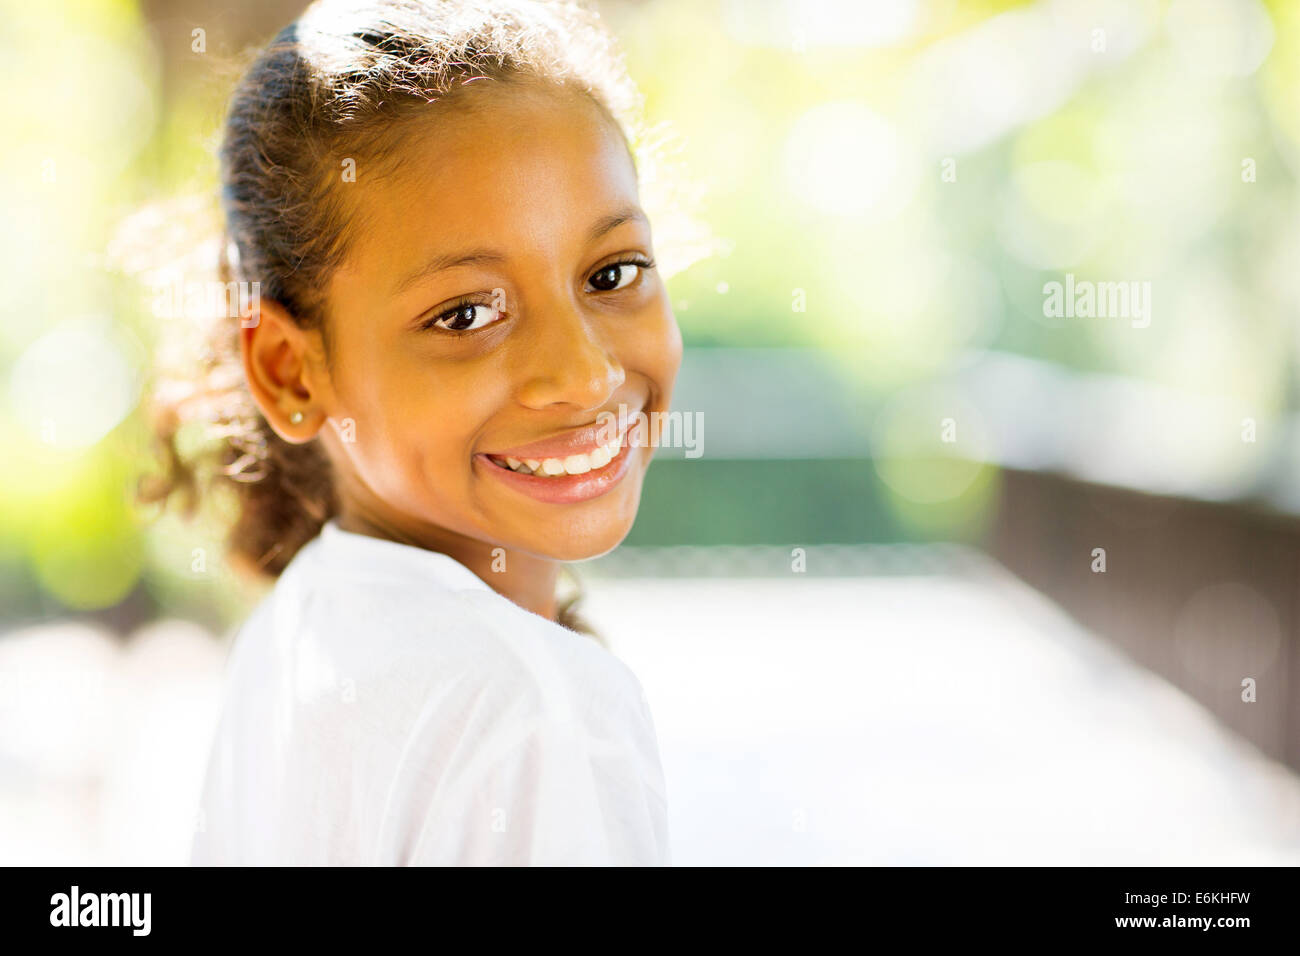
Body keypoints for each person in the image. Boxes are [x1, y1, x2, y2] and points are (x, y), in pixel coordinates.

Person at [145, 0, 686, 865]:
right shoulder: (530, 708)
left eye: (612, 272)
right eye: (467, 314)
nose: (584, 374)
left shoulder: (299, 628)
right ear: (290, 370)